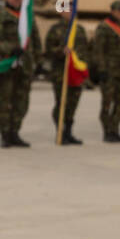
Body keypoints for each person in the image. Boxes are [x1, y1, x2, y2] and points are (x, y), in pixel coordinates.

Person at [0, 0, 36, 147]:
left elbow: (34, 39)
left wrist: (37, 60)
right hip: (6, 64)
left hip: (24, 65)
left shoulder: (27, 15)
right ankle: (4, 134)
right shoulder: (0, 14)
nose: (17, 1)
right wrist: (10, 49)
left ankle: (15, 132)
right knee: (5, 101)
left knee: (21, 101)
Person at [91, 0, 120, 142]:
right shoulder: (104, 28)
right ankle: (107, 131)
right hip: (109, 72)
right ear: (113, 11)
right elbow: (98, 50)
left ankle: (114, 128)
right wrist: (101, 70)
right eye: (119, 11)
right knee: (107, 103)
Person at [45, 12, 90, 144]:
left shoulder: (79, 29)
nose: (71, 12)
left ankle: (69, 132)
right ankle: (60, 132)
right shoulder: (55, 29)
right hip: (61, 73)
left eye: (73, 9)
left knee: (73, 104)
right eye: (68, 9)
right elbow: (48, 50)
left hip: (76, 72)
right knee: (61, 103)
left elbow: (85, 50)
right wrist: (60, 51)